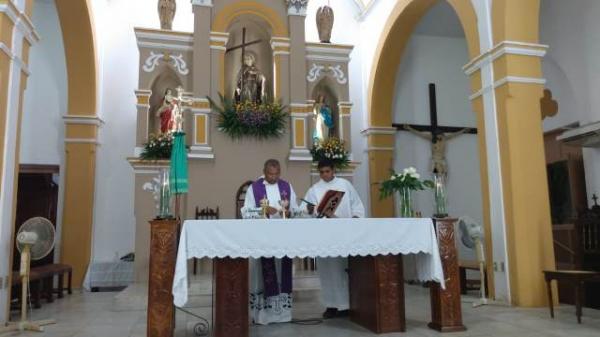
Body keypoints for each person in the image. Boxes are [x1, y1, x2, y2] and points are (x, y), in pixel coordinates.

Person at [303, 159, 365, 319]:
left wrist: (357, 216)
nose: (324, 175)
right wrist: (309, 210)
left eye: (327, 171)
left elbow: (356, 204)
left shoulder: (345, 185)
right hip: (324, 234)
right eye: (321, 172)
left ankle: (345, 305)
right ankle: (330, 305)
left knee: (342, 269)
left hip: (343, 232)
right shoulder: (314, 189)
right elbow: (305, 211)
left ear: (333, 170)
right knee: (326, 270)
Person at [241, 159, 300, 325]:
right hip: (262, 238)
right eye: (270, 174)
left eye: (276, 174)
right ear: (264, 171)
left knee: (283, 269)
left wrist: (289, 212)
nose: (273, 177)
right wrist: (264, 210)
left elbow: (295, 209)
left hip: (283, 237)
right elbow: (246, 212)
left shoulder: (286, 186)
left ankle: (282, 314)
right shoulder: (255, 188)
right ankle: (262, 315)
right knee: (264, 272)